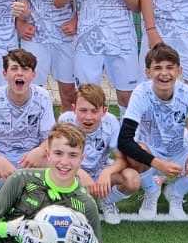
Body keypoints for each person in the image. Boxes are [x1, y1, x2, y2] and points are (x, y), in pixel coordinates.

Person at [110, 42, 188, 219]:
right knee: (133, 154)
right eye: (157, 68)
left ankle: (176, 192)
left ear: (179, 71)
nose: (164, 73)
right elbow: (124, 140)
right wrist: (159, 164)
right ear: (148, 72)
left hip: (179, 152)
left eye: (170, 67)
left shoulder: (187, 93)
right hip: (150, 153)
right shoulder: (141, 93)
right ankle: (151, 190)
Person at [0, 48, 55, 188]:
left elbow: (51, 138)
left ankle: (30, 187)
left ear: (33, 75)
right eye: (14, 68)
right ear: (5, 74)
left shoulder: (43, 96)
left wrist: (40, 150)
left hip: (30, 156)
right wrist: (0, 161)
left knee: (52, 161)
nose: (19, 73)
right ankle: (1, 189)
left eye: (25, 69)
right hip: (1, 154)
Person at [59, 82, 138, 225]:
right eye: (83, 110)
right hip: (73, 173)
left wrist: (107, 172)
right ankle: (74, 202)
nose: (88, 117)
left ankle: (106, 200)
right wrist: (80, 173)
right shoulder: (65, 121)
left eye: (94, 111)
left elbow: (121, 159)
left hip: (100, 170)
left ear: (104, 111)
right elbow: (57, 158)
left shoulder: (111, 122)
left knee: (132, 179)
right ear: (74, 109)